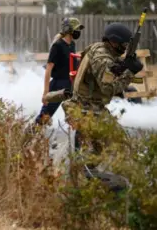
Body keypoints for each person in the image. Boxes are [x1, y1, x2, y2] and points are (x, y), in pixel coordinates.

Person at [60, 22, 144, 193]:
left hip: (92, 109)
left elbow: (110, 70)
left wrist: (123, 66)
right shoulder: (101, 57)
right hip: (87, 111)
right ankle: (88, 188)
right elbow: (108, 87)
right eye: (123, 45)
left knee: (112, 145)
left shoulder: (101, 50)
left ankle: (92, 182)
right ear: (113, 42)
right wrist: (129, 72)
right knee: (101, 150)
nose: (125, 48)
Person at [35, 18, 84, 126]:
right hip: (58, 85)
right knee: (44, 117)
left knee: (78, 117)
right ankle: (29, 138)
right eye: (76, 29)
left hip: (70, 84)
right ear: (69, 30)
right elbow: (48, 69)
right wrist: (46, 92)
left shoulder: (72, 45)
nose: (78, 32)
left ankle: (78, 142)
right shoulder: (57, 45)